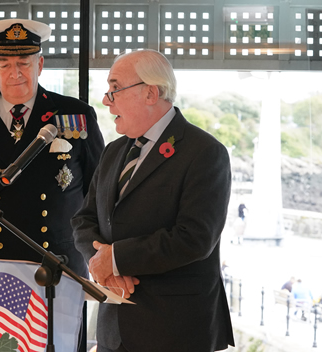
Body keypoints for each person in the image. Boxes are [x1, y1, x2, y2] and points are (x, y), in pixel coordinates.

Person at [71, 49, 234, 352]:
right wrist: (102, 265)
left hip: (175, 333)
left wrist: (117, 259)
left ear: (150, 93)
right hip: (114, 331)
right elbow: (84, 219)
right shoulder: (113, 151)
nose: (107, 100)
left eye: (115, 89)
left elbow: (195, 238)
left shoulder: (205, 153)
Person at [0, 18, 104, 278]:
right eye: (4, 64)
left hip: (55, 260)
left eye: (23, 63)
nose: (14, 73)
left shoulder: (75, 113)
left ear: (39, 65)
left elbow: (97, 188)